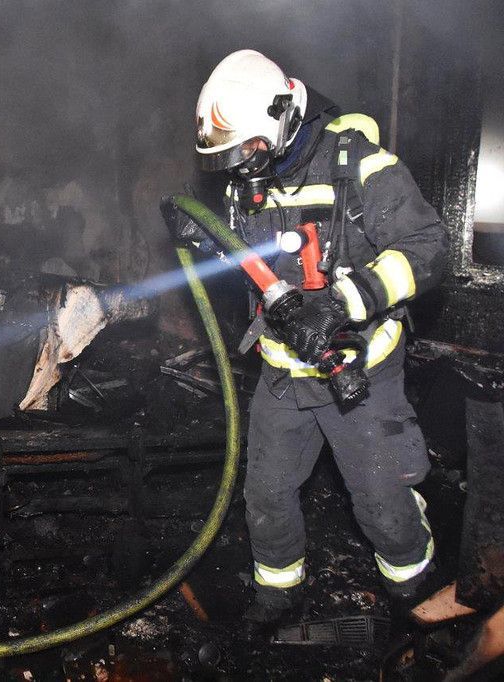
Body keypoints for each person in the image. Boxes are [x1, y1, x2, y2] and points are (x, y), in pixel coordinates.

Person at [168, 50, 448, 627]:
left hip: (360, 372)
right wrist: (211, 242)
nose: (241, 166)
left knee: (381, 502)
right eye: (229, 157)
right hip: (282, 374)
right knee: (267, 497)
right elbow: (253, 267)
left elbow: (428, 247)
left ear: (281, 116)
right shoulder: (250, 177)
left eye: (248, 148)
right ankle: (278, 595)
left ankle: (416, 589)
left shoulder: (360, 165)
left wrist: (344, 302)